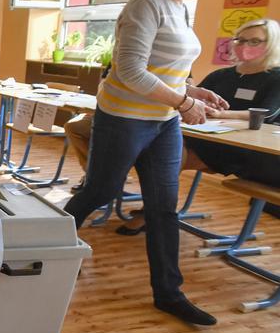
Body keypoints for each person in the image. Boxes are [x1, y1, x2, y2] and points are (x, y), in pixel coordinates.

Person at [62, 0, 229, 327]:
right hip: (124, 119)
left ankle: (169, 294)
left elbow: (163, 70)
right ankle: (46, 249)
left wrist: (192, 91)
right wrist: (184, 101)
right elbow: (132, 71)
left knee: (162, 207)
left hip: (164, 122)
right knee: (99, 190)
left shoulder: (181, 8)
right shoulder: (146, 5)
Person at [117, 17, 280, 233]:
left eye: (254, 41)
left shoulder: (275, 78)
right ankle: (117, 191)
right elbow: (191, 98)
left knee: (167, 155)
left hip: (238, 148)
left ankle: (152, 213)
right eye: (240, 40)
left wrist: (222, 113)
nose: (244, 46)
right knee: (148, 144)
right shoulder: (221, 75)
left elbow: (267, 114)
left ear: (271, 44)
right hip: (201, 134)